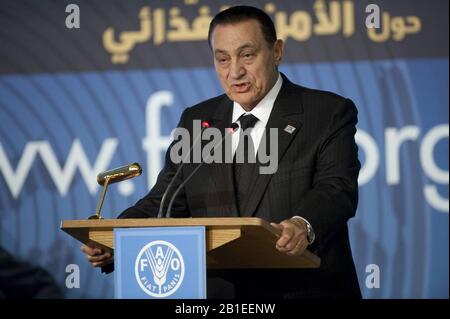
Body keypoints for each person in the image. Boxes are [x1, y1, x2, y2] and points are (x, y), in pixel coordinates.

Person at [82, 5, 361, 299]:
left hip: (305, 290)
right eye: (223, 59)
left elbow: (336, 188)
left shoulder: (327, 112)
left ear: (277, 51)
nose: (235, 72)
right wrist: (115, 238)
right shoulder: (198, 121)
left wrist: (302, 224)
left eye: (247, 55)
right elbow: (164, 201)